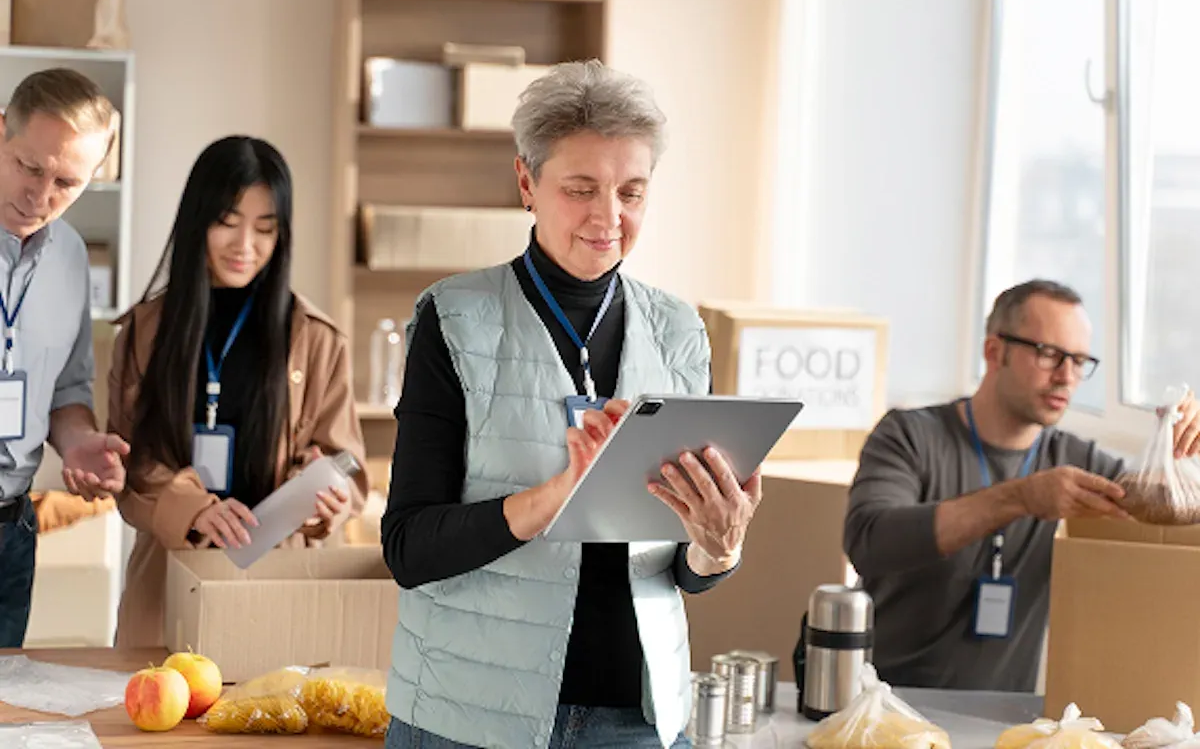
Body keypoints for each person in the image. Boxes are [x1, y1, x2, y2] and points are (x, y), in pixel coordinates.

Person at [380, 60, 762, 749]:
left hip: (637, 723)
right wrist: (552, 500)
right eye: (581, 188)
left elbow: (679, 568)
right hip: (467, 721)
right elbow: (408, 549)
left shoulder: (680, 332)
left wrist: (717, 546)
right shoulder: (454, 319)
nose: (609, 217)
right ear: (527, 182)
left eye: (632, 192)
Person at [843, 279, 1200, 692]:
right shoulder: (909, 435)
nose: (1067, 377)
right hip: (881, 703)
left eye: (1080, 361)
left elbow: (1169, 512)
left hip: (1003, 720)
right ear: (994, 352)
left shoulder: (1076, 460)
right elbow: (869, 540)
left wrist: (1179, 446)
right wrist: (1019, 497)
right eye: (1050, 355)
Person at [109, 135, 369, 649]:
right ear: (196, 221)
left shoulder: (316, 338)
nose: (244, 245)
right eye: (227, 222)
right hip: (168, 580)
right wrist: (196, 508)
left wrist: (323, 493)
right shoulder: (145, 331)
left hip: (278, 583)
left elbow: (349, 463)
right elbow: (129, 467)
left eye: (265, 228)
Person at [0, 68, 132, 648]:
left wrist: (80, 443)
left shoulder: (71, 257)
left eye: (67, 182)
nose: (41, 195)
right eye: (30, 167)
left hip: (10, 531)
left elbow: (65, 392)